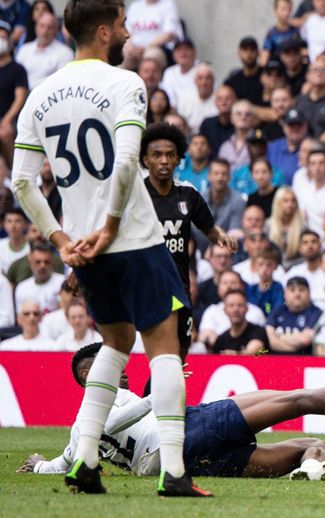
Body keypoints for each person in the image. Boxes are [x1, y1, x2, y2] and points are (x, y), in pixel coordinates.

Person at [9, 0, 205, 495]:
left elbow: (22, 183)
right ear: (102, 30)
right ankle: (176, 472)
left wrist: (59, 238)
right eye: (121, 25)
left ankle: (86, 459)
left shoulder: (40, 94)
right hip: (132, 237)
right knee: (164, 349)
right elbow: (123, 164)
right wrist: (113, 225)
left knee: (115, 346)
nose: (127, 34)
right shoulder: (125, 84)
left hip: (82, 246)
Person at [19, 342, 325, 479]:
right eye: (94, 373)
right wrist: (158, 394)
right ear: (84, 383)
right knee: (296, 399)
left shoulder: (80, 431)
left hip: (192, 459)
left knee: (314, 444)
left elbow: (62, 463)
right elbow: (111, 424)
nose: (107, 376)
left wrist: (38, 466)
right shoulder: (93, 418)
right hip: (189, 432)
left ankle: (310, 473)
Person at [142, 122, 238, 306]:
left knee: (180, 336)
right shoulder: (135, 195)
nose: (164, 161)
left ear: (178, 159)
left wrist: (221, 236)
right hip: (146, 284)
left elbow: (209, 228)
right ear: (146, 160)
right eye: (157, 155)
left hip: (179, 284)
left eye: (170, 155)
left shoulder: (188, 193)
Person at [265, 276, 323, 355]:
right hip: (275, 362)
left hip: (304, 362)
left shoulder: (316, 313)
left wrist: (278, 337)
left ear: (309, 293)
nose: (297, 294)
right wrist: (295, 342)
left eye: (301, 290)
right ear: (285, 294)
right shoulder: (277, 312)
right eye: (292, 290)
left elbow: (305, 340)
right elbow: (269, 340)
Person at [14, 11, 72, 89]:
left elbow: (62, 83)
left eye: (50, 27)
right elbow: (15, 77)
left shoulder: (66, 53)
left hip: (47, 97)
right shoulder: (24, 49)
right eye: (42, 26)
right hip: (22, 96)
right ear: (36, 27)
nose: (45, 31)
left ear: (56, 30)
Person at [0, 20, 28, 173]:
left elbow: (20, 98)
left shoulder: (17, 69)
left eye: (3, 37)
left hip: (10, 120)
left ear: (10, 42)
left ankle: (14, 172)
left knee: (5, 133)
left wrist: (6, 120)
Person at [212, 288, 269, 355]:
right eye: (231, 305)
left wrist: (236, 355)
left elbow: (256, 350)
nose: (236, 309)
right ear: (225, 310)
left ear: (247, 308)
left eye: (240, 305)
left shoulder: (258, 331)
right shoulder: (221, 340)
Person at [13, 241, 63, 313]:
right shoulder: (22, 288)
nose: (42, 266)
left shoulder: (62, 283)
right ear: (30, 264)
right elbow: (21, 317)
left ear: (52, 263)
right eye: (38, 262)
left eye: (46, 262)